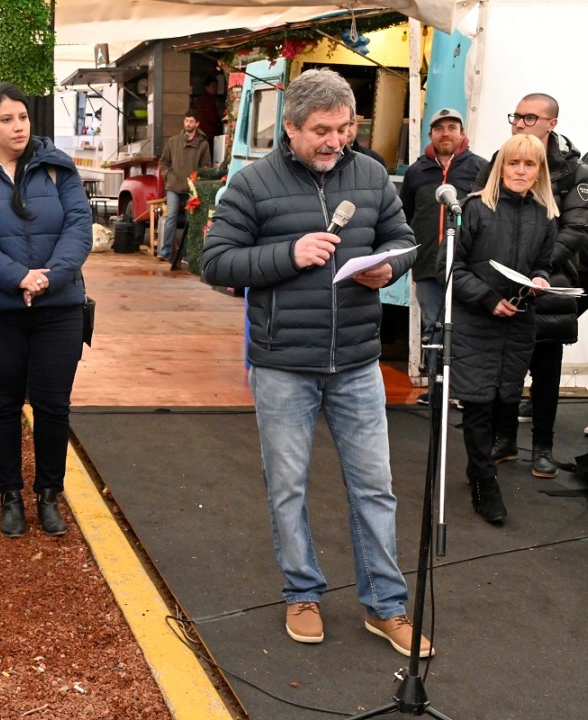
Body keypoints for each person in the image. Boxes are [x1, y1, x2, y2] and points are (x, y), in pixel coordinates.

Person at [201, 69, 431, 658]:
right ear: (291, 127)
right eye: (322, 130)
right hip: (283, 363)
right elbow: (216, 263)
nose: (335, 141)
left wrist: (389, 264)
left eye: (345, 128)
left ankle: (386, 606)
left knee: (375, 488)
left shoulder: (371, 175)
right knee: (288, 487)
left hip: (357, 360)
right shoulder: (253, 183)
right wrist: (289, 253)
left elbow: (403, 239)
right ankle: (302, 593)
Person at [0, 82, 92, 537]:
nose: (18, 127)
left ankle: (49, 495)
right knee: (3, 404)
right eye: (6, 120)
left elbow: (79, 227)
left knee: (53, 406)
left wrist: (48, 277)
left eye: (23, 117)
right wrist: (18, 277)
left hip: (58, 307)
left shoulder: (57, 167)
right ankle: (10, 496)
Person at [476, 94, 588, 477]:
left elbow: (578, 228)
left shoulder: (574, 171)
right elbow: (478, 209)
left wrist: (535, 265)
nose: (519, 123)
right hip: (504, 281)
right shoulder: (500, 160)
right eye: (516, 116)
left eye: (529, 117)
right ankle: (505, 439)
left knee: (546, 369)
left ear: (551, 124)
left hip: (551, 283)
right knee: (505, 367)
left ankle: (543, 447)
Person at [445, 134, 556, 523]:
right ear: (500, 167)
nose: (520, 171)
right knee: (477, 403)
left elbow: (543, 264)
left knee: (501, 400)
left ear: (539, 171)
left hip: (518, 321)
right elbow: (450, 267)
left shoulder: (545, 215)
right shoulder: (474, 209)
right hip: (476, 320)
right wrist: (488, 299)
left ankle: (478, 468)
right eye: (513, 163)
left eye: (529, 164)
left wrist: (540, 281)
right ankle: (484, 485)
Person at [399, 106, 488, 400]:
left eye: (452, 127)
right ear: (430, 134)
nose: (445, 133)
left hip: (467, 267)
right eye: (439, 128)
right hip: (427, 265)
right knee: (433, 328)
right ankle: (437, 390)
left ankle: (465, 391)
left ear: (463, 133)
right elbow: (404, 216)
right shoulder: (416, 172)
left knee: (465, 329)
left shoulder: (480, 168)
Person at [158, 110, 211, 262]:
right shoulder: (173, 141)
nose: (188, 124)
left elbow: (206, 166)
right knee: (171, 217)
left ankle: (187, 255)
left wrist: (197, 180)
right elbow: (163, 162)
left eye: (191, 121)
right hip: (173, 186)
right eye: (186, 120)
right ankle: (165, 252)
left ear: (197, 124)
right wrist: (168, 174)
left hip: (191, 189)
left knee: (191, 221)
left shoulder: (203, 144)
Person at [194, 77, 223, 142]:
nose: (215, 89)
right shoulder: (205, 100)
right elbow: (212, 116)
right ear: (206, 87)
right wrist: (219, 120)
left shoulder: (210, 99)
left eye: (216, 87)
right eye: (213, 86)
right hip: (206, 131)